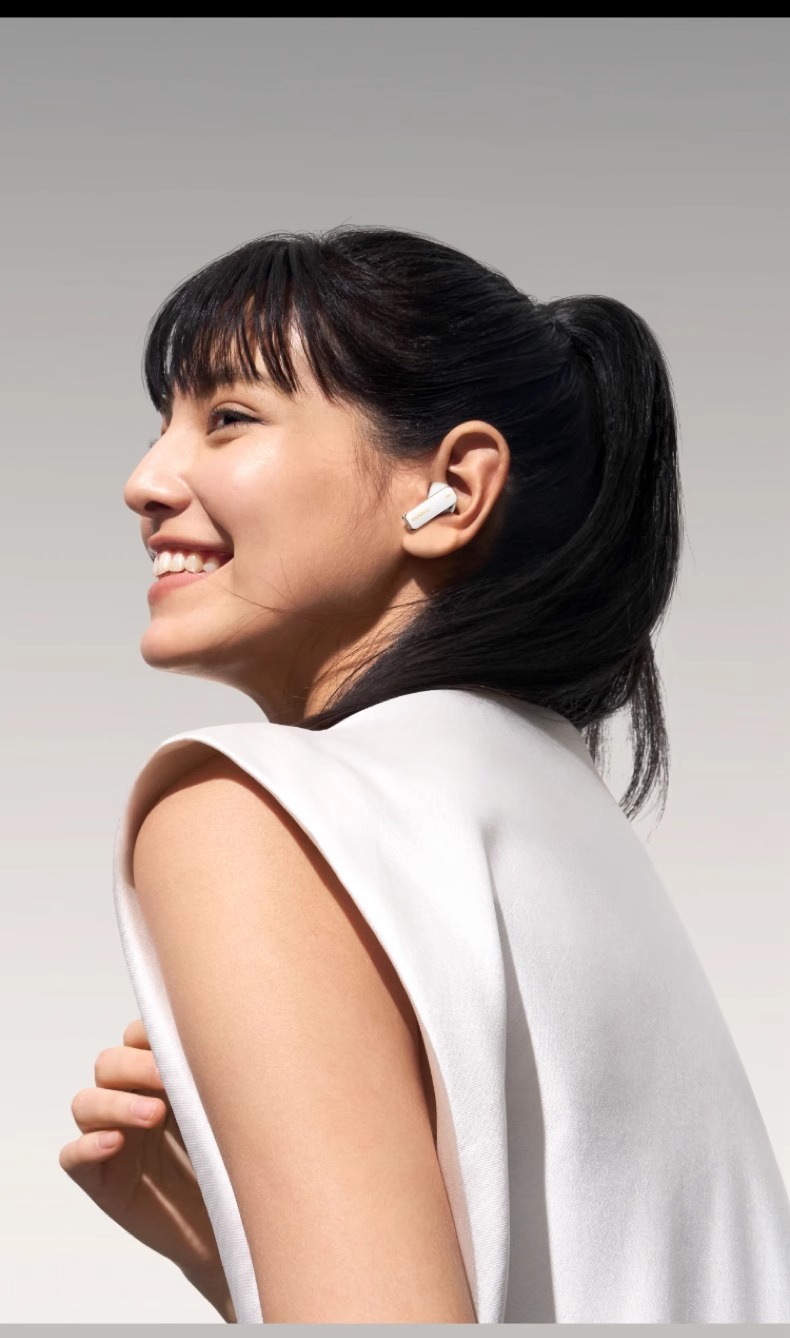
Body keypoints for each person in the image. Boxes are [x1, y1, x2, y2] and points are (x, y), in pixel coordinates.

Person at [59, 226, 790, 1323]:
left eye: (230, 418)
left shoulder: (248, 811)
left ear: (450, 489)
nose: (145, 483)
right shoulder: (560, 807)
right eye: (164, 424)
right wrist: (247, 1256)